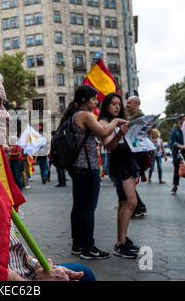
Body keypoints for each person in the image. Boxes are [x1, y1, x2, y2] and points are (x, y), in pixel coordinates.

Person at [0, 64, 96, 281]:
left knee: (85, 273)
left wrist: (39, 266)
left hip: (24, 271)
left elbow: (11, 243)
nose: (5, 116)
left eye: (6, 105)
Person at [60, 86, 127, 260]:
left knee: (79, 207)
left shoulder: (73, 115)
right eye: (94, 99)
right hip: (87, 168)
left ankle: (77, 244)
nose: (96, 102)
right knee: (88, 208)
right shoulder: (85, 115)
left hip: (77, 167)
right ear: (84, 100)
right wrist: (116, 121)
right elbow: (104, 131)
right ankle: (88, 247)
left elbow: (107, 141)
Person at [99, 93, 141, 259]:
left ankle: (122, 240)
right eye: (113, 104)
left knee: (125, 203)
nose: (117, 107)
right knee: (131, 202)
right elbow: (109, 146)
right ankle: (120, 243)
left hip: (128, 160)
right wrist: (119, 133)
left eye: (118, 104)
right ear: (106, 105)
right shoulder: (103, 122)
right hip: (118, 163)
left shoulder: (124, 120)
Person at [125, 96, 148, 218]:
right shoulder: (131, 116)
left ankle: (137, 207)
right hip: (134, 152)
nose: (127, 105)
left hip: (134, 153)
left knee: (128, 182)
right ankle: (139, 206)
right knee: (129, 182)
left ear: (136, 104)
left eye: (129, 103)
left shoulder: (138, 117)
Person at [170, 114, 185, 194]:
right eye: (182, 119)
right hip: (178, 153)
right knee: (177, 169)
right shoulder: (175, 131)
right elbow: (173, 142)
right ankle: (175, 185)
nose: (184, 120)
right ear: (179, 120)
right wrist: (180, 146)